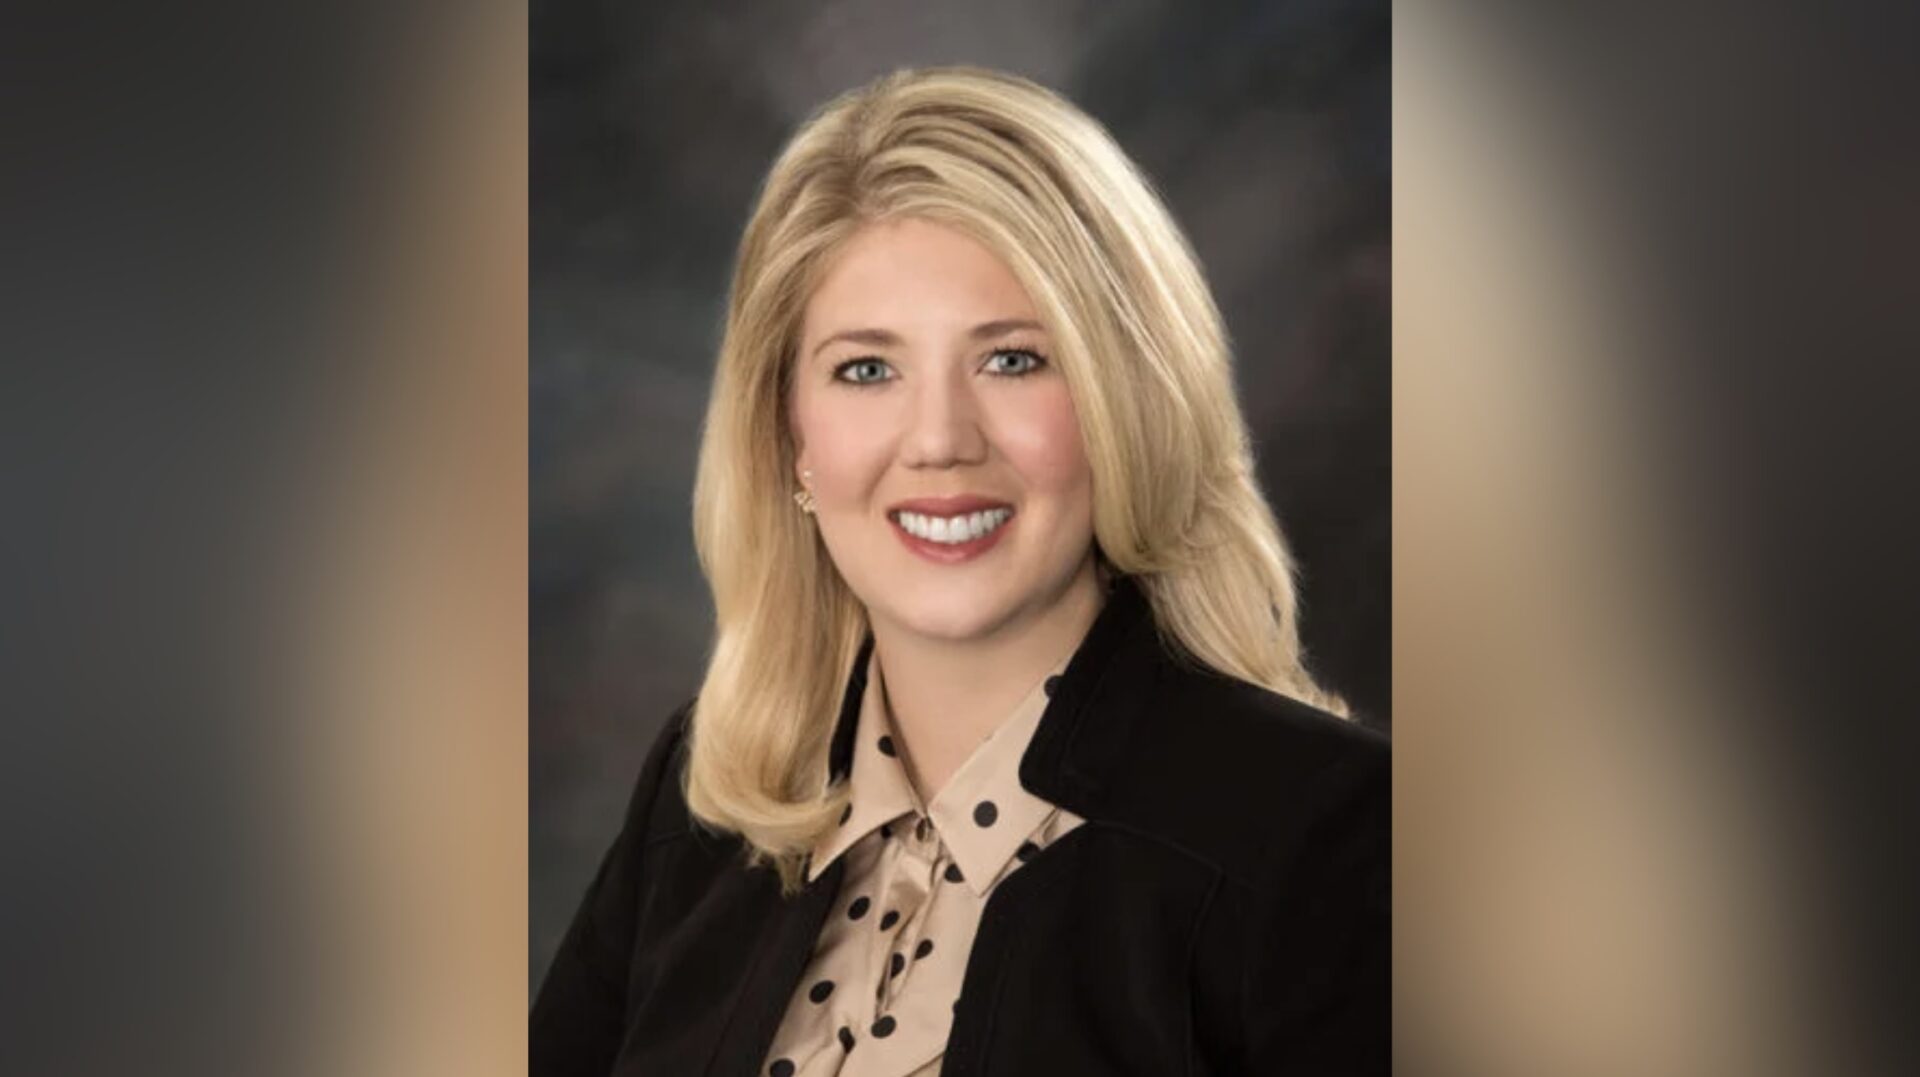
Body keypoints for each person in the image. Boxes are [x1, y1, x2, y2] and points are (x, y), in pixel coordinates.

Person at [531, 65, 1388, 1076]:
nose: (939, 440)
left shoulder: (1330, 835)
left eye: (1012, 359)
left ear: (1123, 404)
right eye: (866, 369)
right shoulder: (705, 800)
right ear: (791, 440)